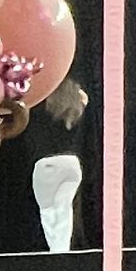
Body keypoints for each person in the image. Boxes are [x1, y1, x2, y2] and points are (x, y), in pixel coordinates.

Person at [32, 78, 90, 254]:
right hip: (71, 163)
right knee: (65, 208)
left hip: (47, 164)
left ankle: (55, 251)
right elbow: (84, 97)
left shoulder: (41, 106)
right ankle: (63, 249)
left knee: (48, 212)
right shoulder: (78, 106)